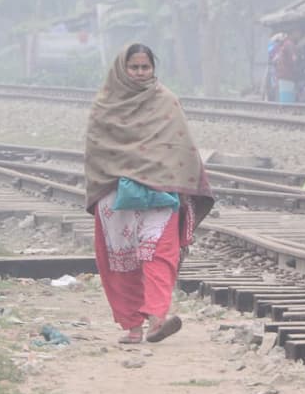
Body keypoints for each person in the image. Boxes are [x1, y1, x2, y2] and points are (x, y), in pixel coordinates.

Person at [84, 43, 215, 344]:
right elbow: (97, 151)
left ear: (153, 69)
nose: (141, 73)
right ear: (122, 68)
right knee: (122, 260)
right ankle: (132, 327)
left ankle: (157, 319)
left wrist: (173, 182)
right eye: (134, 68)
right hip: (116, 195)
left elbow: (179, 148)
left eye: (146, 68)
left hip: (160, 193)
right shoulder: (105, 105)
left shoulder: (167, 102)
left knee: (160, 254)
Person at [273, 32, 298, 103]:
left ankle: (287, 107)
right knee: (284, 94)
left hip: (287, 75)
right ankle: (285, 107)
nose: (276, 44)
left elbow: (294, 58)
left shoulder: (288, 44)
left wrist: (294, 66)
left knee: (286, 94)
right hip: (283, 75)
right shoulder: (282, 47)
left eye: (277, 41)